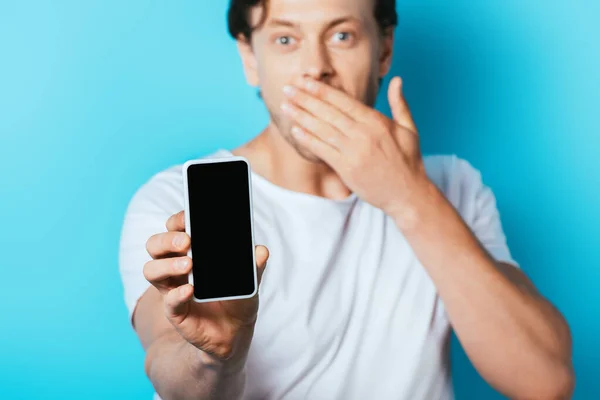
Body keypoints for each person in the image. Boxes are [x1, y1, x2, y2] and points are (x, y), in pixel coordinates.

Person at [118, 0, 575, 399]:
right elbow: (167, 359)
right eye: (284, 39)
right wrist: (214, 357)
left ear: (384, 50)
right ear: (249, 57)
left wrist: (410, 197)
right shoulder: (177, 199)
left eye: (342, 34)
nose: (315, 67)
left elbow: (545, 381)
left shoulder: (452, 186)